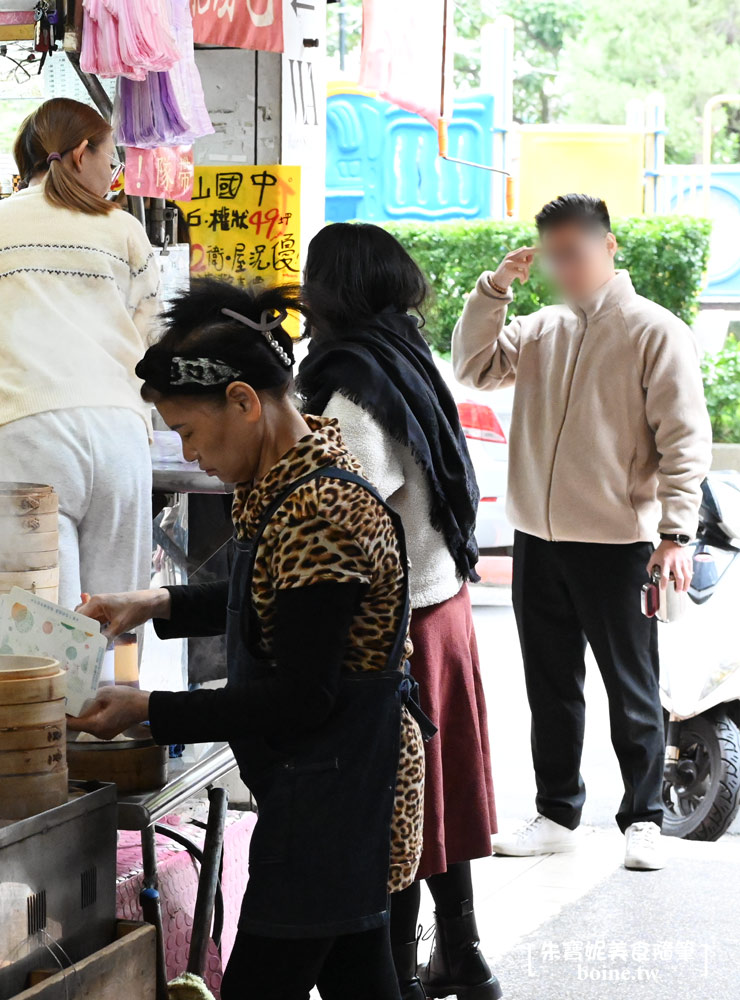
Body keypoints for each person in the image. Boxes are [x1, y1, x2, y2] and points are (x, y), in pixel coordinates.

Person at [69, 278, 431, 1000]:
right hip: (332, 779)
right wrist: (154, 602)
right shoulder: (293, 480)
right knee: (361, 978)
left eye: (188, 431)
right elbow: (277, 604)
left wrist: (150, 710)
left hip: (334, 792)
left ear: (243, 401)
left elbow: (300, 696)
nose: (189, 453)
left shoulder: (319, 508)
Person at [453, 194, 711, 872]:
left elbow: (684, 440)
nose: (563, 267)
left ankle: (645, 819)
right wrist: (494, 289)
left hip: (620, 543)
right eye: (553, 256)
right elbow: (473, 367)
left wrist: (675, 533)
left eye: (574, 253)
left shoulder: (655, 331)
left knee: (632, 686)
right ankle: (557, 814)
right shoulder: (542, 328)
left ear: (609, 246)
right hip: (538, 539)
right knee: (549, 685)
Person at [298, 222, 499, 1000]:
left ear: (331, 291)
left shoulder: (353, 382)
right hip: (443, 603)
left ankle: (402, 973)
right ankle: (464, 955)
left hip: (401, 622)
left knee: (398, 806)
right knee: (437, 796)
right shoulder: (406, 353)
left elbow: (346, 507)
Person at [0, 97, 161, 605]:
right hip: (120, 436)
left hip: (29, 435)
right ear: (80, 153)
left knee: (46, 623)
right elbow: (153, 334)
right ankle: (114, 666)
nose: (112, 174)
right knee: (118, 612)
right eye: (111, 160)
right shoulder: (123, 228)